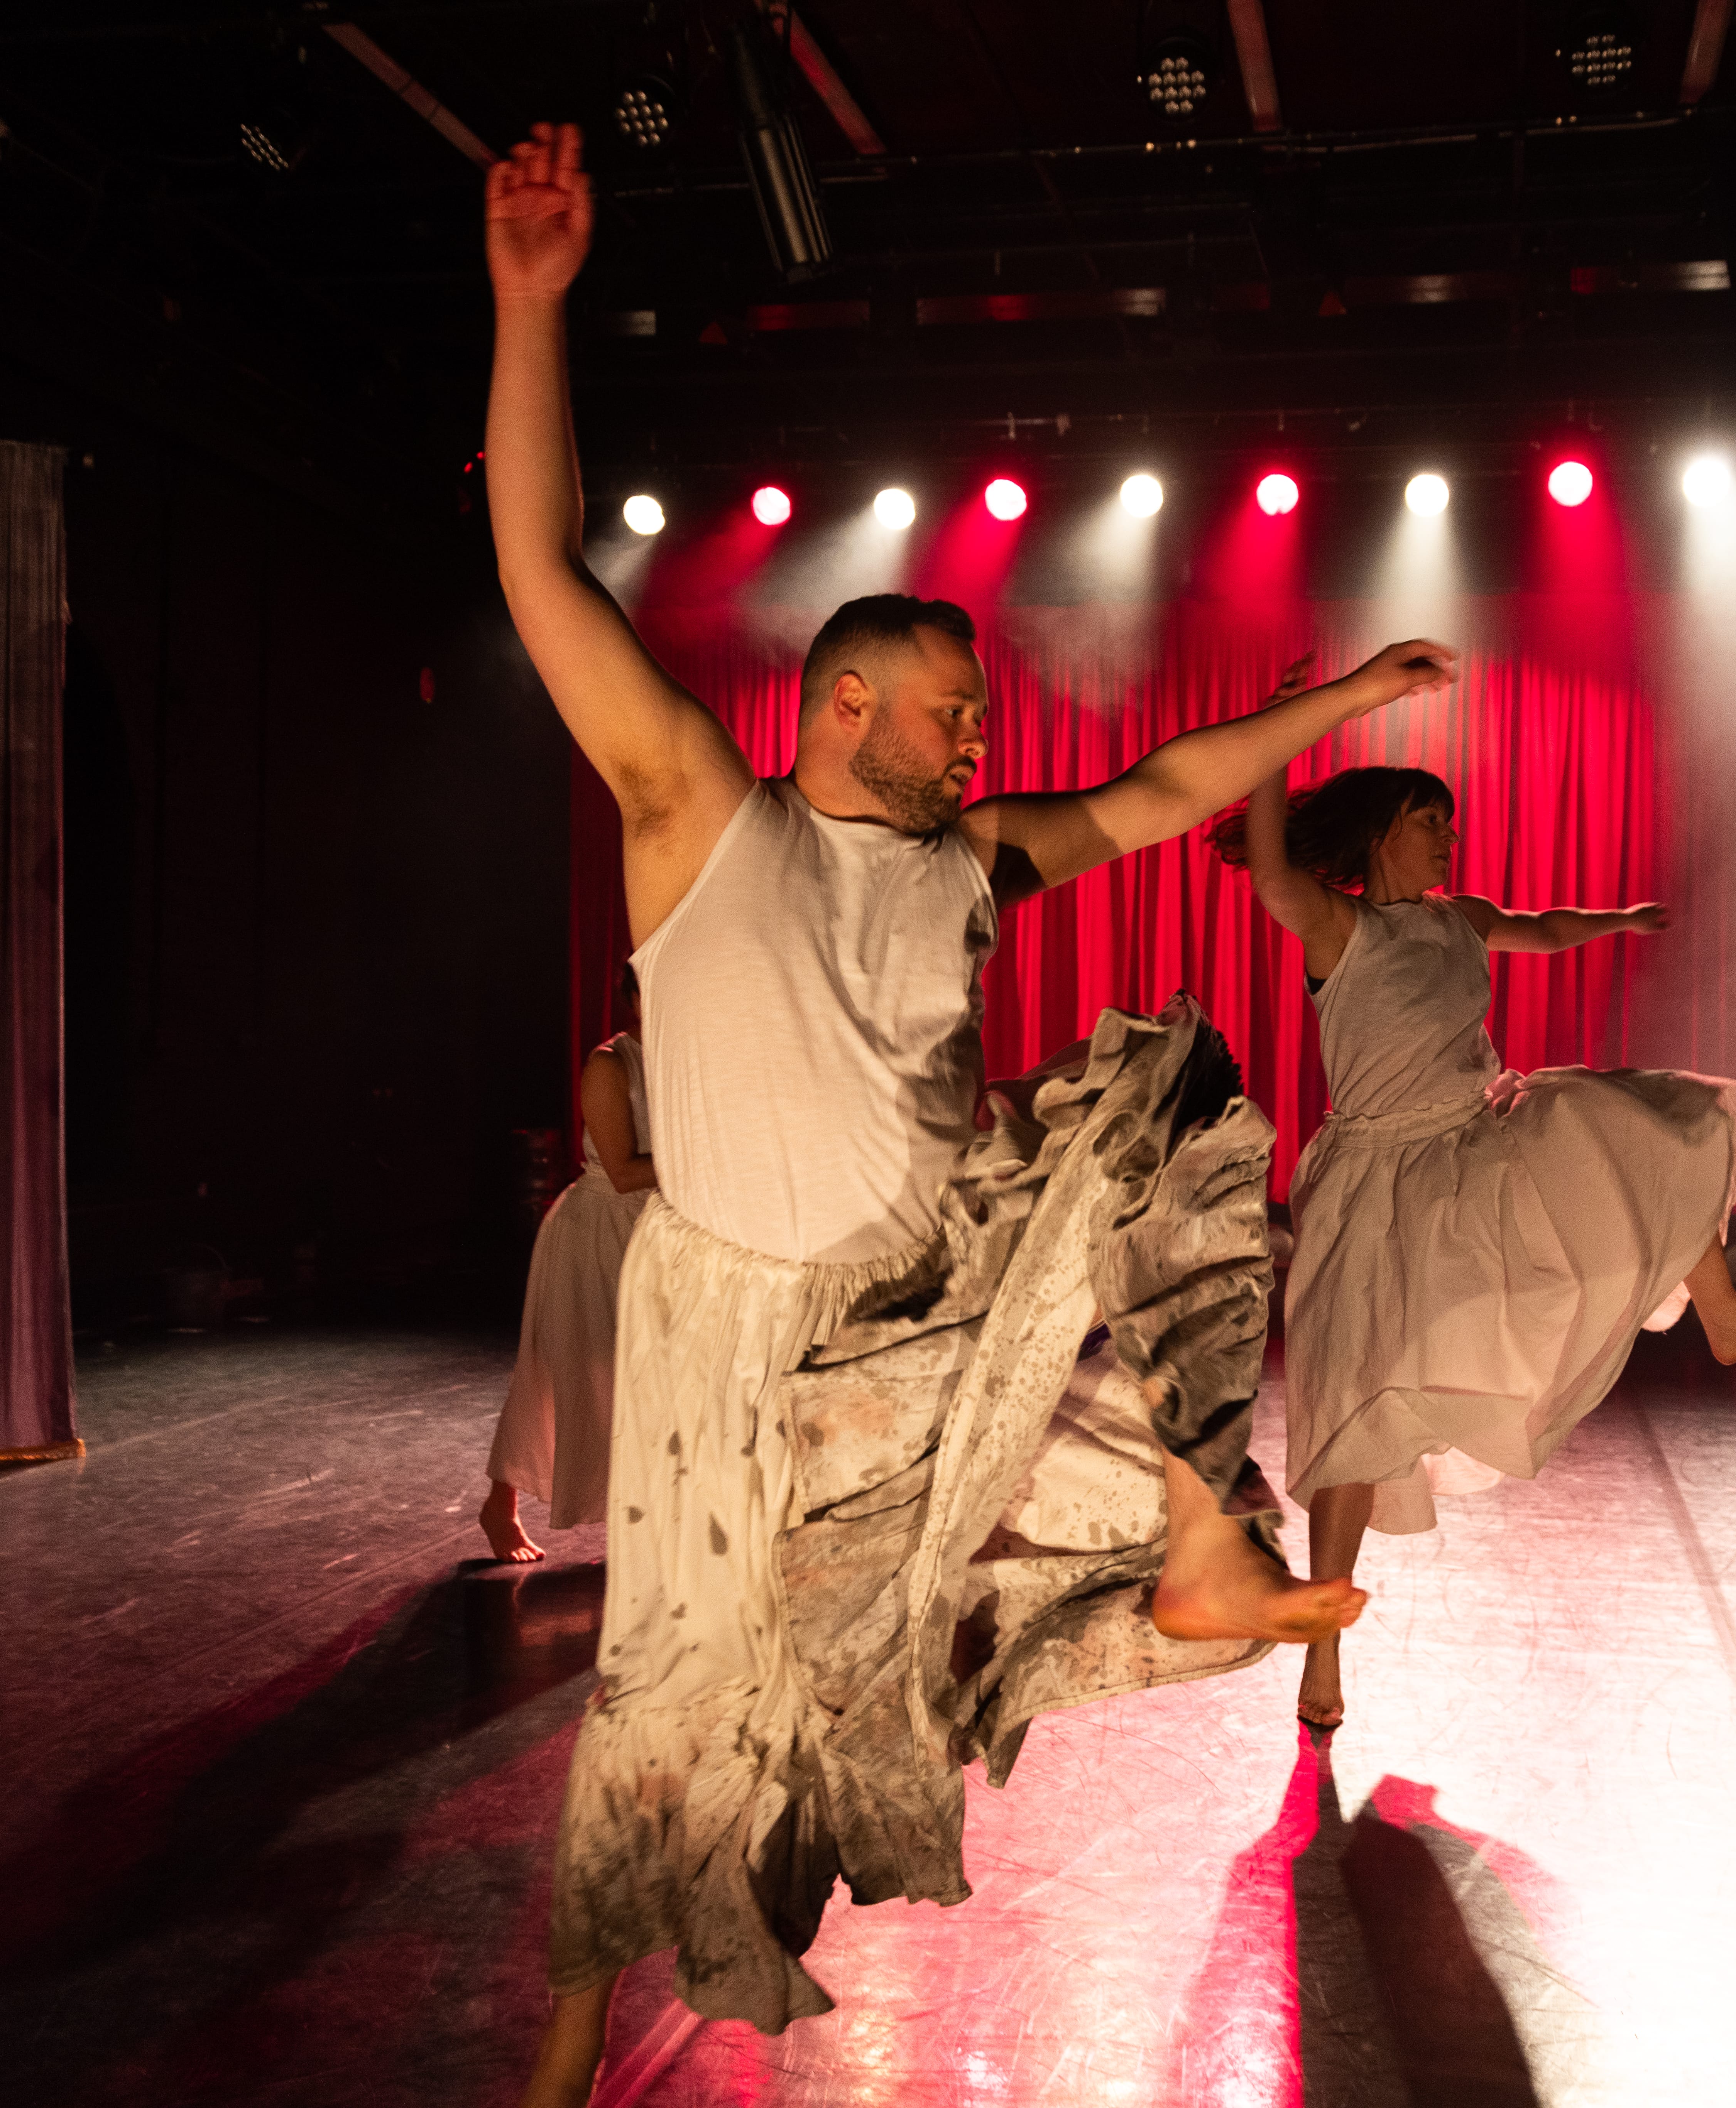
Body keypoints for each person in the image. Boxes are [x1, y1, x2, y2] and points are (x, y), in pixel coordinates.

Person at [485, 121, 1451, 2101]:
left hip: (921, 1321)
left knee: (1165, 1088)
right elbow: (534, 566)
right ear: (845, 702)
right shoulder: (699, 822)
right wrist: (527, 314)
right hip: (731, 1338)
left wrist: (1332, 704)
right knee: (681, 1701)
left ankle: (1194, 1532)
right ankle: (577, 2032)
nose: (981, 744)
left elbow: (1163, 790)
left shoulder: (969, 863)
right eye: (951, 714)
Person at [1212, 737, 1736, 1730]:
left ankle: (1723, 1314)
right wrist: (1277, 742)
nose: (1449, 837)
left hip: (1469, 1151)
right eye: (1430, 823)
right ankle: (1321, 1657)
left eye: (1450, 822)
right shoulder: (1343, 928)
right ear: (1380, 836)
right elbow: (1274, 867)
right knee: (1354, 1430)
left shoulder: (1462, 920)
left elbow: (1540, 928)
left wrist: (1617, 920)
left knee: (1625, 1127)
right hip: (1374, 1183)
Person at [480, 978, 657, 1564]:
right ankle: (499, 1504)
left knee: (656, 1380)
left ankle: (650, 1519)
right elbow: (627, 1172)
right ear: (637, 996)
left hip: (660, 1230)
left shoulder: (690, 1060)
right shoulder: (609, 1064)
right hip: (601, 1230)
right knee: (563, 1374)